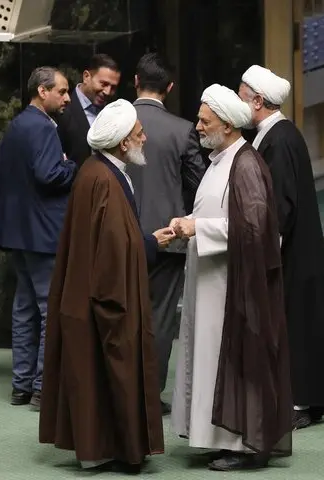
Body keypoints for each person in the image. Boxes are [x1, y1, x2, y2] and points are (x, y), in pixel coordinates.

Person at [39, 99, 175, 472]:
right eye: (139, 134)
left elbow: (115, 240)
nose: (144, 138)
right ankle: (116, 450)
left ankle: (101, 449)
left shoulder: (96, 171)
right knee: (108, 371)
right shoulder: (105, 180)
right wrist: (150, 245)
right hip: (104, 299)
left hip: (89, 293)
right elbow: (114, 252)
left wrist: (148, 242)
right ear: (122, 142)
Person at [169, 84, 293, 472]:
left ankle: (240, 443)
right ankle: (215, 437)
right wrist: (187, 224)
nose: (198, 126)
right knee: (207, 358)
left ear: (226, 124)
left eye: (204, 121)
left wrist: (198, 228)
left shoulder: (246, 164)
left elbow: (256, 229)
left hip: (231, 286)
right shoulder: (220, 160)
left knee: (232, 361)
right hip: (211, 279)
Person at [239, 65, 324, 429]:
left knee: (296, 326)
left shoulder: (279, 139)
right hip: (295, 252)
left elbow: (279, 205)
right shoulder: (277, 134)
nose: (237, 103)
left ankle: (299, 402)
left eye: (241, 97)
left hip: (292, 254)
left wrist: (262, 251)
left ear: (257, 101)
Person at [0, 66, 76, 411]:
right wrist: (70, 166)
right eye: (62, 91)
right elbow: (49, 174)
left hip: (18, 232)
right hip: (44, 234)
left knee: (24, 310)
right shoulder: (43, 127)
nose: (67, 98)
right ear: (43, 91)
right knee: (49, 311)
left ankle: (21, 386)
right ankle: (42, 389)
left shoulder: (17, 124)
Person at [126, 53, 207, 414]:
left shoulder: (114, 121)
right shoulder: (182, 129)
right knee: (159, 318)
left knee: (120, 312)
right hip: (168, 238)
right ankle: (148, 393)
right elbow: (200, 185)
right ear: (170, 87)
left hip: (121, 235)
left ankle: (118, 389)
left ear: (135, 81)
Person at [56, 54, 121, 167]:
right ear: (86, 76)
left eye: (113, 87)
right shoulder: (62, 109)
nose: (107, 92)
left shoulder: (114, 111)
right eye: (104, 84)